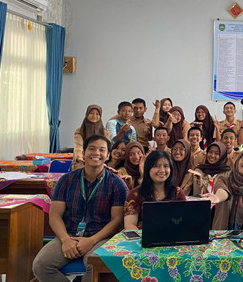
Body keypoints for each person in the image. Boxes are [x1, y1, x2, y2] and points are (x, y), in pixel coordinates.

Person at [32, 134, 128, 282]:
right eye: (92, 149)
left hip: (100, 237)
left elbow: (117, 221)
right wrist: (65, 240)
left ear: (108, 155)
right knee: (41, 265)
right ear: (83, 153)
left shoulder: (117, 184)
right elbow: (55, 215)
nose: (96, 153)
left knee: (95, 265)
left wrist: (91, 240)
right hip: (69, 234)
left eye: (102, 150)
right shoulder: (66, 180)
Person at [202, 145, 243, 230]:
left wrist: (242, 241)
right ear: (238, 160)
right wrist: (217, 197)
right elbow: (224, 191)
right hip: (220, 237)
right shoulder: (223, 179)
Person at [123, 151, 187, 230]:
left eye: (166, 166)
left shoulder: (177, 192)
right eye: (156, 166)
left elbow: (184, 220)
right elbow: (130, 225)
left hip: (172, 237)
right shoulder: (135, 194)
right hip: (143, 238)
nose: (162, 170)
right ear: (148, 168)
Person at [72, 105, 111, 170]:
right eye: (91, 113)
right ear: (87, 114)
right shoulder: (80, 131)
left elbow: (108, 147)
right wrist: (79, 157)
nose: (94, 116)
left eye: (97, 114)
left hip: (101, 160)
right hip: (83, 160)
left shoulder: (105, 132)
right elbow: (78, 146)